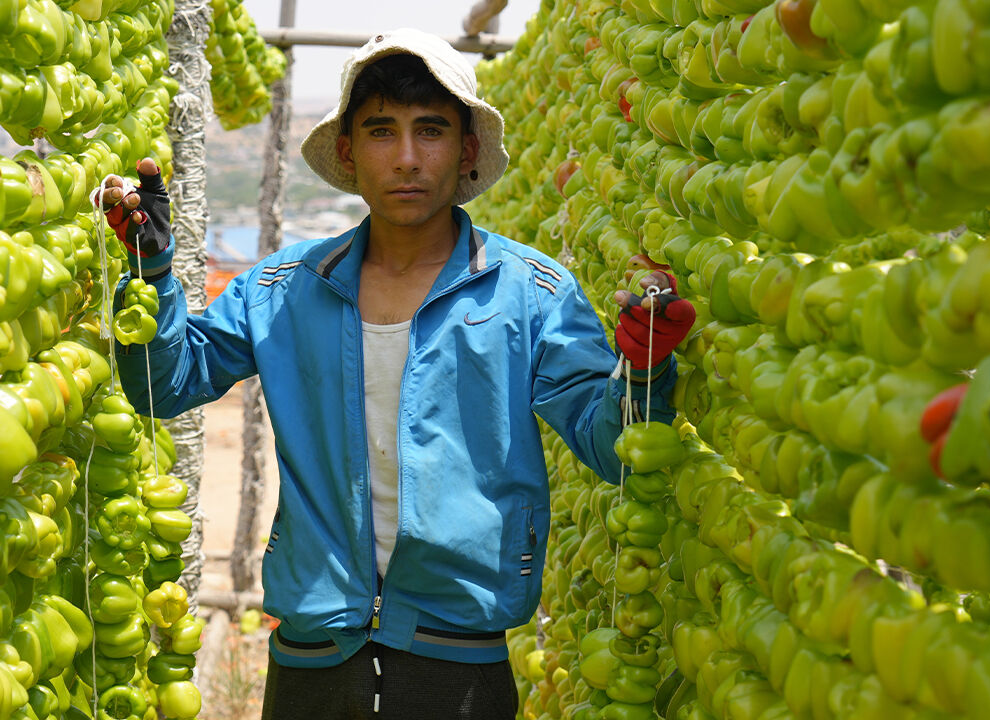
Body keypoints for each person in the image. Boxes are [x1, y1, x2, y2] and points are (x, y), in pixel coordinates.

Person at [101, 28, 695, 720]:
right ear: (349, 153)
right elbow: (166, 383)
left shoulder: (529, 293)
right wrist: (152, 275)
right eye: (382, 132)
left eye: (432, 131)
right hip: (314, 658)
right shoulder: (285, 289)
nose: (408, 158)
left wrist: (644, 370)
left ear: (467, 149)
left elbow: (608, 443)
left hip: (461, 659)